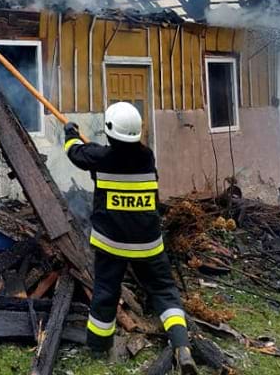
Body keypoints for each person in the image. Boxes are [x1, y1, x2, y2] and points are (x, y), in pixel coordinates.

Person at [64, 102, 197, 373]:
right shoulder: (147, 157)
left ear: (110, 131)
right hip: (148, 243)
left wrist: (70, 132)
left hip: (111, 243)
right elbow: (108, 160)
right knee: (164, 291)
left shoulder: (101, 157)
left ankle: (99, 347)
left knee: (105, 292)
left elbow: (75, 153)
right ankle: (182, 345)